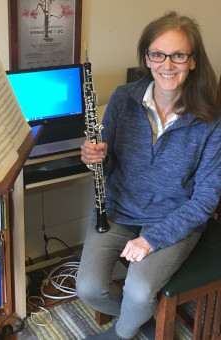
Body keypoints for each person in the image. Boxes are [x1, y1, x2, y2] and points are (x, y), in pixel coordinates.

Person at [76, 11, 221, 340]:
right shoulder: (123, 98)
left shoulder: (211, 120)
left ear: (193, 61)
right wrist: (96, 159)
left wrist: (152, 240)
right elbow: (109, 164)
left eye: (178, 55)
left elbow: (206, 198)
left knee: (139, 291)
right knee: (88, 287)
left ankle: (122, 334)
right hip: (120, 206)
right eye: (158, 54)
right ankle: (146, 317)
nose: (167, 65)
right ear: (146, 57)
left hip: (173, 218)